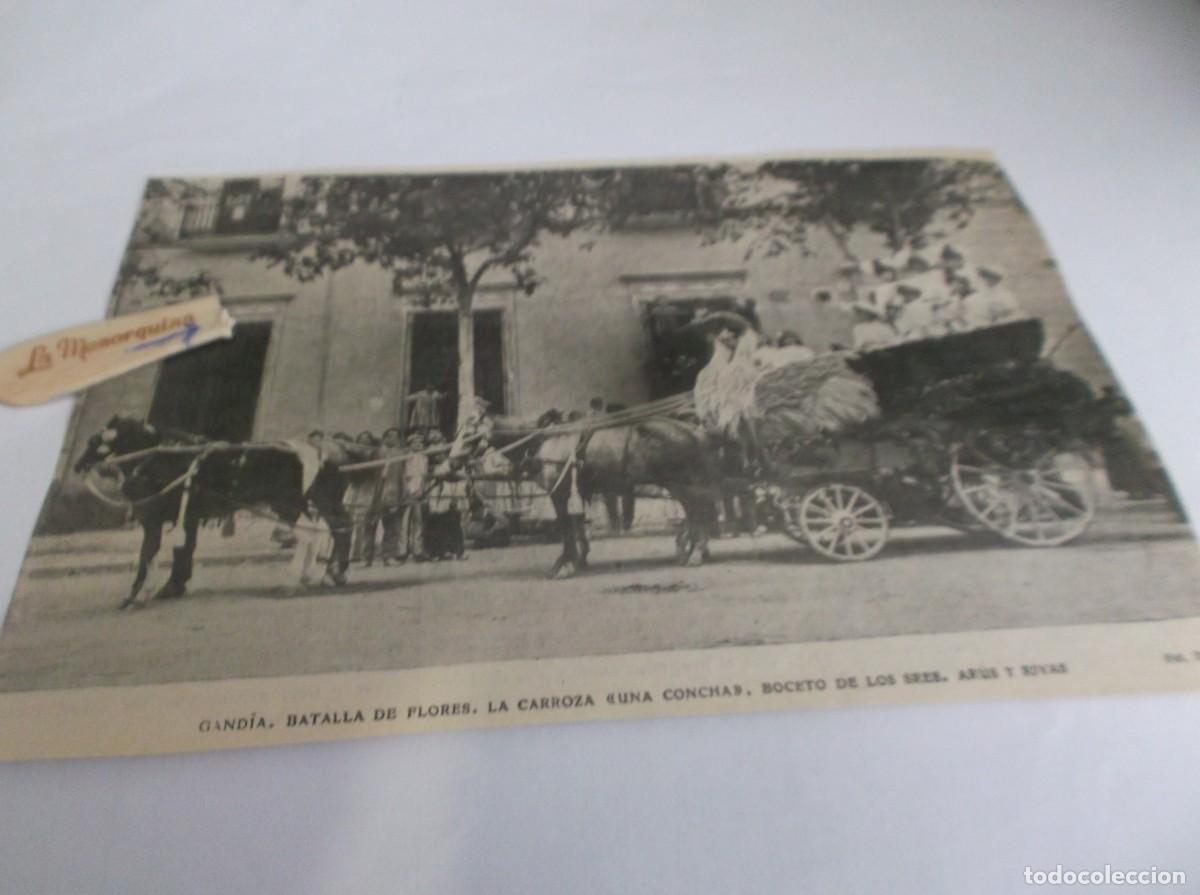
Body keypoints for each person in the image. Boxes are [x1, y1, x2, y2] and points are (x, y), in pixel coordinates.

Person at [345, 431, 381, 564]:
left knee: (364, 521)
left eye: (367, 440)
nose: (364, 442)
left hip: (368, 487)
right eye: (361, 439)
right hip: (354, 488)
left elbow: (375, 471)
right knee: (349, 520)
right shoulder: (352, 454)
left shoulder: (374, 454)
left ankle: (363, 555)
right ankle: (350, 553)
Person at [375, 428, 408, 565]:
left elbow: (402, 475)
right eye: (389, 436)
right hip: (377, 490)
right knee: (371, 525)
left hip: (393, 491)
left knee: (393, 525)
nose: (392, 439)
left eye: (395, 437)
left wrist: (403, 492)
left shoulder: (400, 454)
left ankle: (389, 555)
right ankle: (368, 555)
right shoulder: (378, 453)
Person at [400, 431, 429, 561]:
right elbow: (403, 475)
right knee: (404, 522)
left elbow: (424, 476)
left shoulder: (424, 458)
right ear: (410, 444)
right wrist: (406, 489)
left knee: (418, 521)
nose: (418, 444)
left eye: (420, 442)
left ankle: (418, 550)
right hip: (408, 490)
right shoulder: (406, 457)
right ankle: (402, 551)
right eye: (415, 442)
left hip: (419, 490)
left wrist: (422, 489)